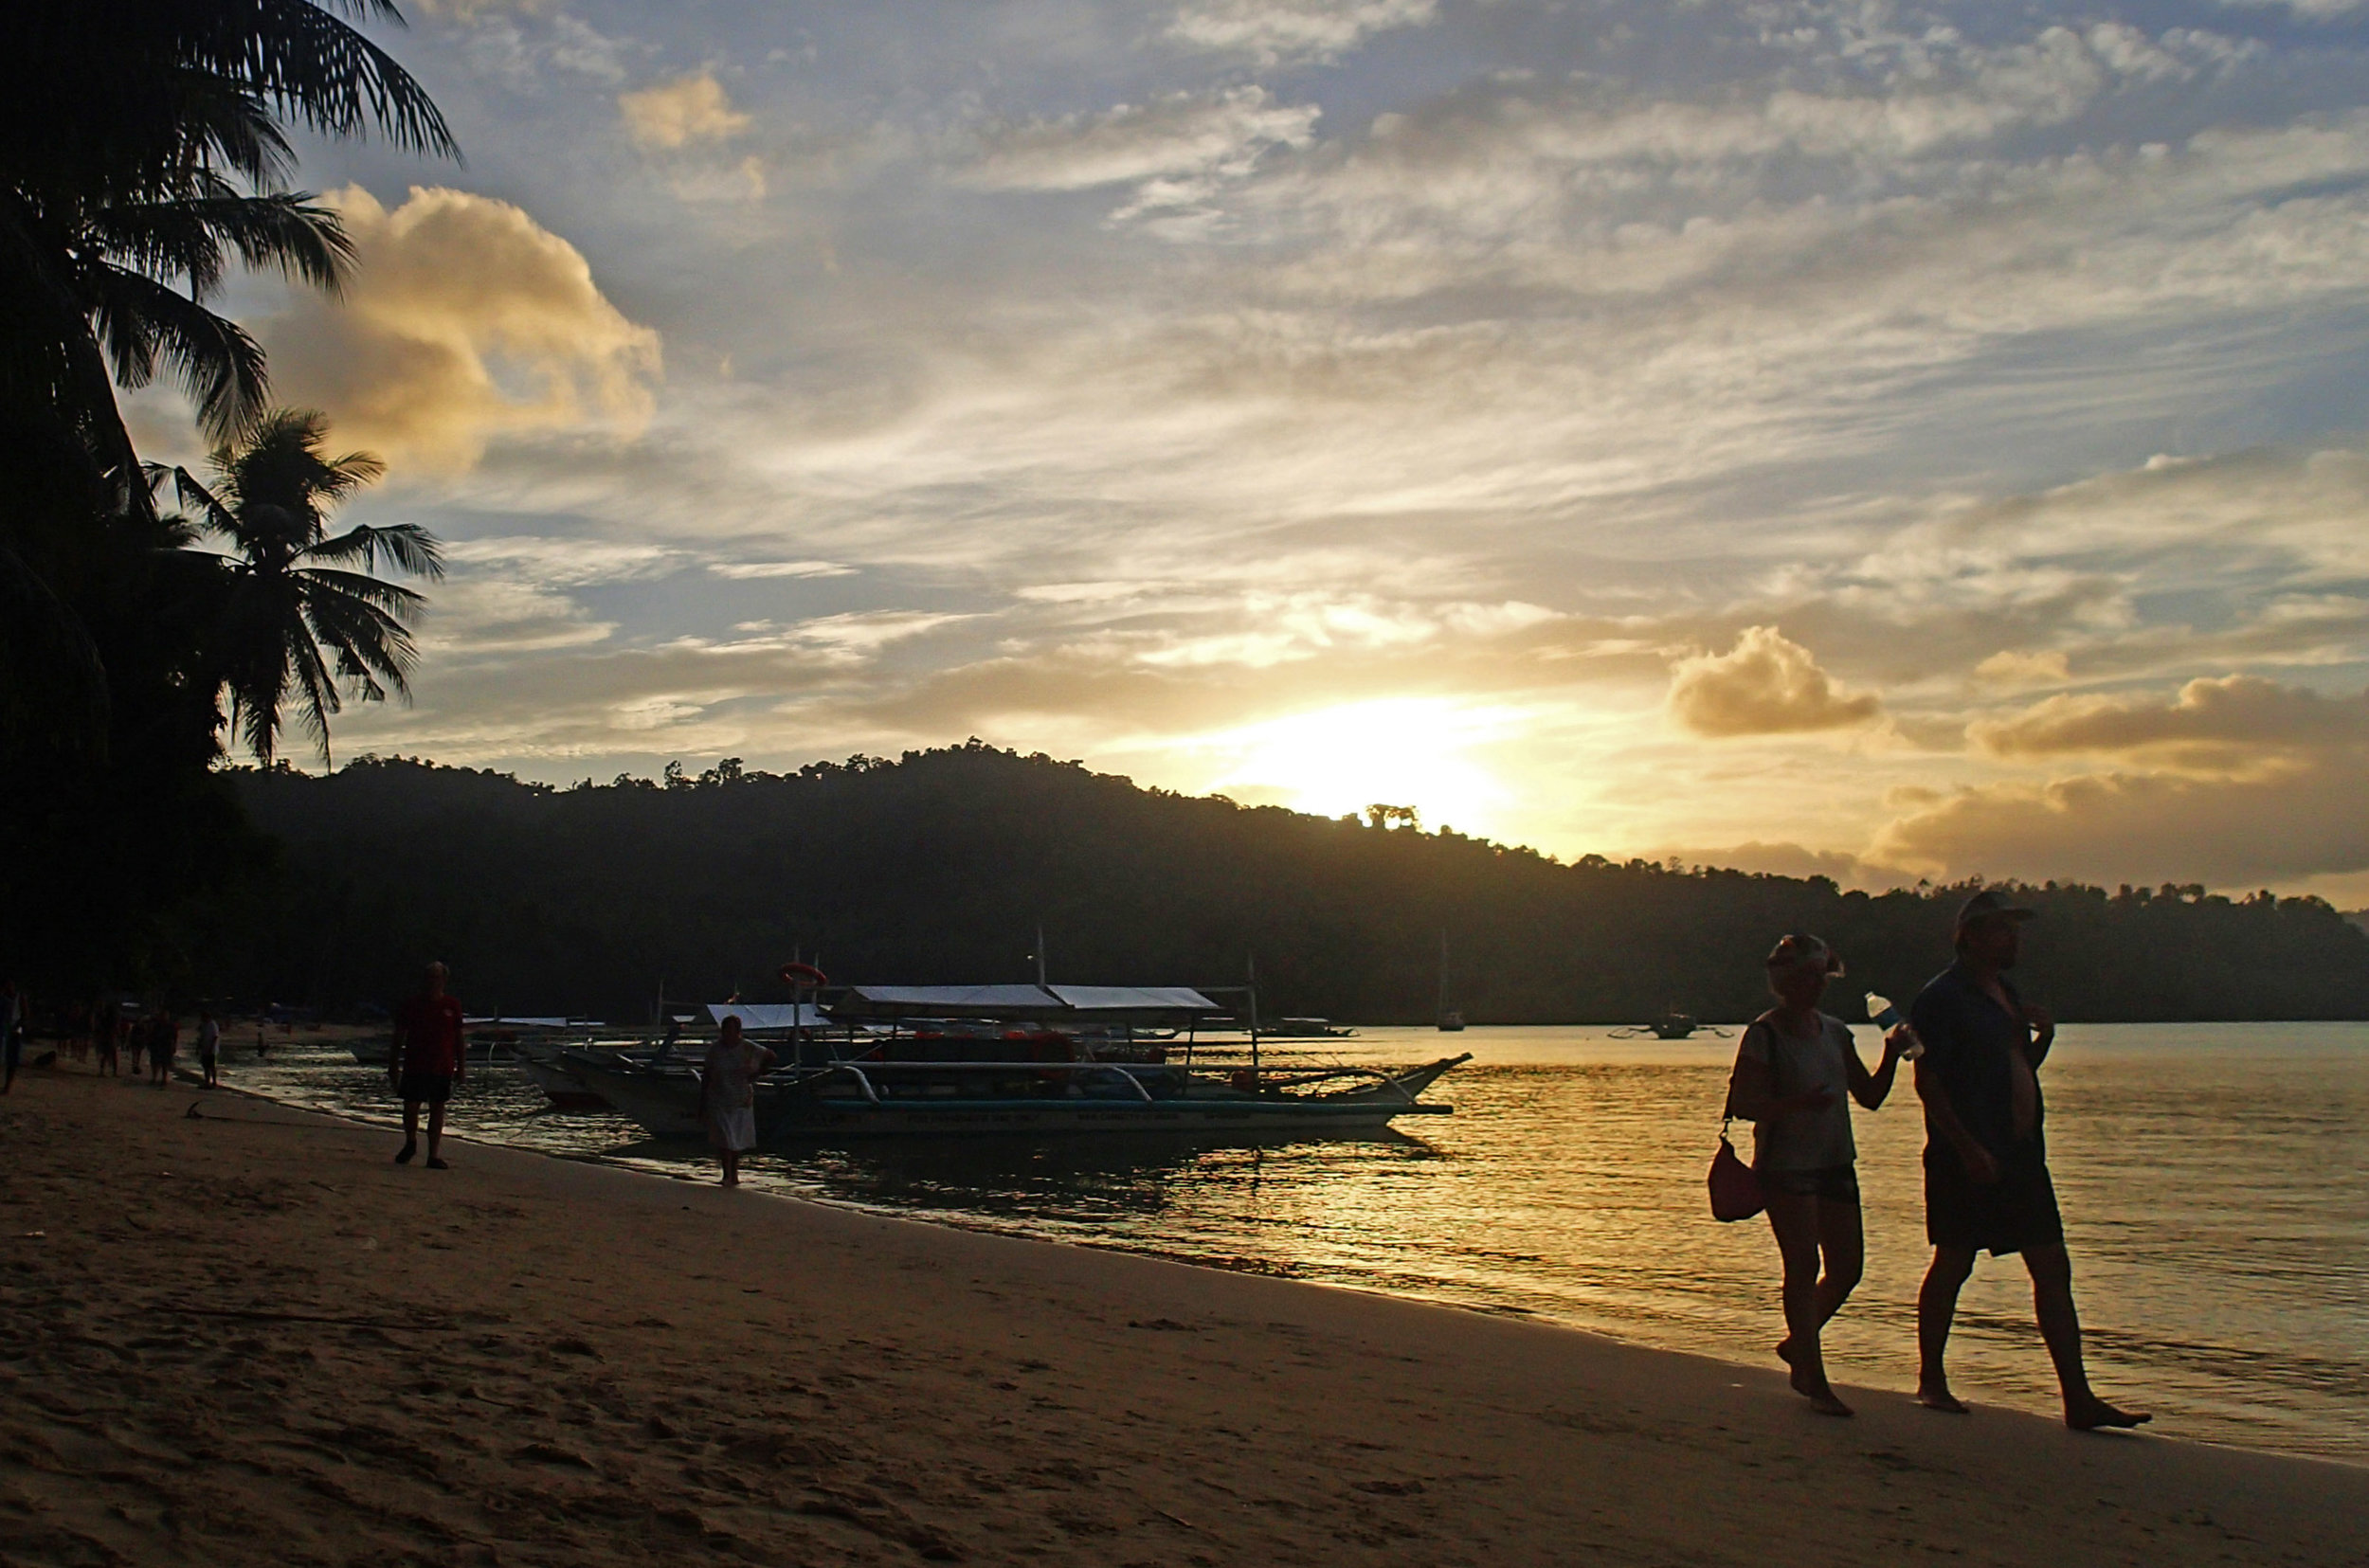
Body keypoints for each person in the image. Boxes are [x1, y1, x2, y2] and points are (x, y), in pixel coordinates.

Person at [1909, 890, 2149, 1431]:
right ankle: (1931, 1379)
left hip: (2019, 1155)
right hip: (1965, 1155)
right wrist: (1966, 1147)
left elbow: (2017, 1067)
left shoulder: (2005, 992)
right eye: (2000, 930)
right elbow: (1928, 1079)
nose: (2012, 938)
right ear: (1969, 936)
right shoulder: (1942, 998)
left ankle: (2077, 1397)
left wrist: (2044, 1038)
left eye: (2014, 930)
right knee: (1953, 1262)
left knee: (2051, 1268)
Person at [1726, 934, 1908, 1417]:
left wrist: (1891, 1054)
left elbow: (1868, 1096)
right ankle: (1813, 1375)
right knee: (1802, 1268)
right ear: (1783, 981)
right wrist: (1795, 1106)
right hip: (1786, 1165)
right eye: (1806, 976)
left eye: (1820, 977)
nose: (1815, 986)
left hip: (1834, 1162)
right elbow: (1742, 1104)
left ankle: (1798, 1346)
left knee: (1847, 1269)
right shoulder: (1764, 1034)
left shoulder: (1835, 1031)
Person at [390, 963, 466, 1169]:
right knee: (411, 1106)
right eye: (429, 977)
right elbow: (399, 1037)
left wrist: (461, 1067)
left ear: (444, 980)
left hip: (442, 1066)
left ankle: (433, 1155)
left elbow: (458, 1037)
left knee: (437, 1108)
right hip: (415, 1064)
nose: (432, 982)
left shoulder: (452, 1005)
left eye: (436, 977)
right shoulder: (411, 1004)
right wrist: (393, 1065)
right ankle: (411, 1142)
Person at [699, 1016, 774, 1188]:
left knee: (736, 1140)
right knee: (724, 1138)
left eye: (732, 1030)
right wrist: (702, 1102)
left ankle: (734, 1174)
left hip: (741, 1099)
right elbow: (707, 1074)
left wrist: (758, 1073)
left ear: (738, 1031)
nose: (728, 1034)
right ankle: (727, 1174)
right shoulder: (715, 1050)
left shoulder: (748, 1047)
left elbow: (770, 1056)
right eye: (725, 1030)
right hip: (718, 1098)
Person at [1, 980, 23, 1093]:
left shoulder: (18, 998)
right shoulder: (4, 998)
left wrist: (18, 1027)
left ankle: (7, 1085)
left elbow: (24, 1015)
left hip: (14, 1030)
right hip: (7, 1029)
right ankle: (7, 1085)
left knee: (12, 1060)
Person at [148, 1006, 177, 1087]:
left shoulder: (171, 1026)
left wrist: (174, 1046)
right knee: (155, 1063)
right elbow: (152, 1035)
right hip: (157, 1046)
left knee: (165, 1064)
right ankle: (154, 1078)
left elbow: (174, 1037)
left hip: (166, 1046)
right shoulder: (157, 1025)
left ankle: (164, 1079)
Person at [196, 1009, 222, 1089]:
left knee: (212, 1066)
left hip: (212, 1050)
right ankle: (207, 1081)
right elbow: (201, 1037)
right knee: (205, 1066)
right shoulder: (204, 1025)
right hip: (204, 1048)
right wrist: (198, 1048)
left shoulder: (213, 1025)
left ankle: (214, 1082)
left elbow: (215, 1037)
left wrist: (211, 1048)